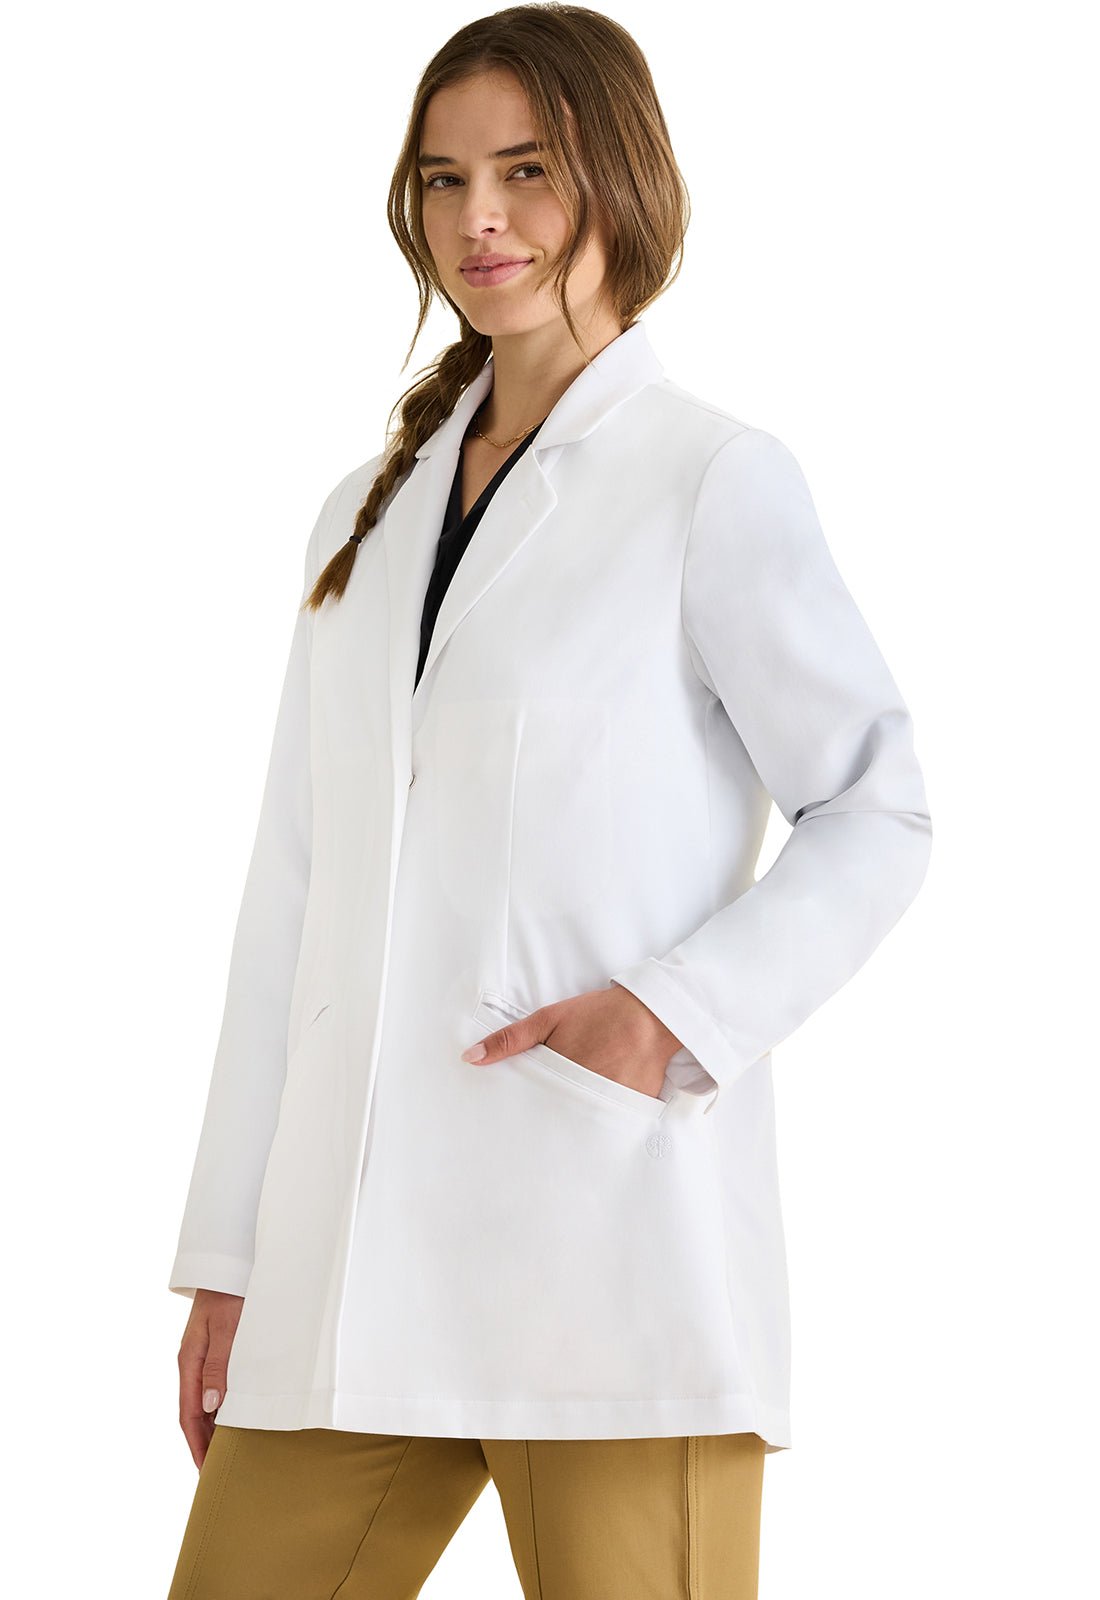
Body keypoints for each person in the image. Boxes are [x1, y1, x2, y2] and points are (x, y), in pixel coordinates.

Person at [166, 6, 933, 1597]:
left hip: (606, 1249)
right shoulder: (361, 517)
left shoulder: (710, 478)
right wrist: (234, 1256)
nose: (480, 219)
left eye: (526, 170)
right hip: (350, 1276)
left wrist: (673, 1014)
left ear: (620, 180)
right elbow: (292, 897)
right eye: (444, 180)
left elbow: (876, 808)